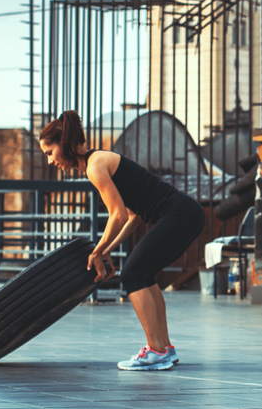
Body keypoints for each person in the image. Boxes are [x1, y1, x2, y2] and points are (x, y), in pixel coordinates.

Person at [38, 111, 206, 371]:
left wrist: (98, 250)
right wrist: (108, 249)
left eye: (50, 152)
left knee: (133, 274)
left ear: (65, 144)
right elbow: (134, 215)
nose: (50, 161)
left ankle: (156, 350)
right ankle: (165, 349)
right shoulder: (98, 161)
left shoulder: (95, 166)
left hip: (180, 214)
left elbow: (116, 214)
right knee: (144, 274)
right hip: (186, 213)